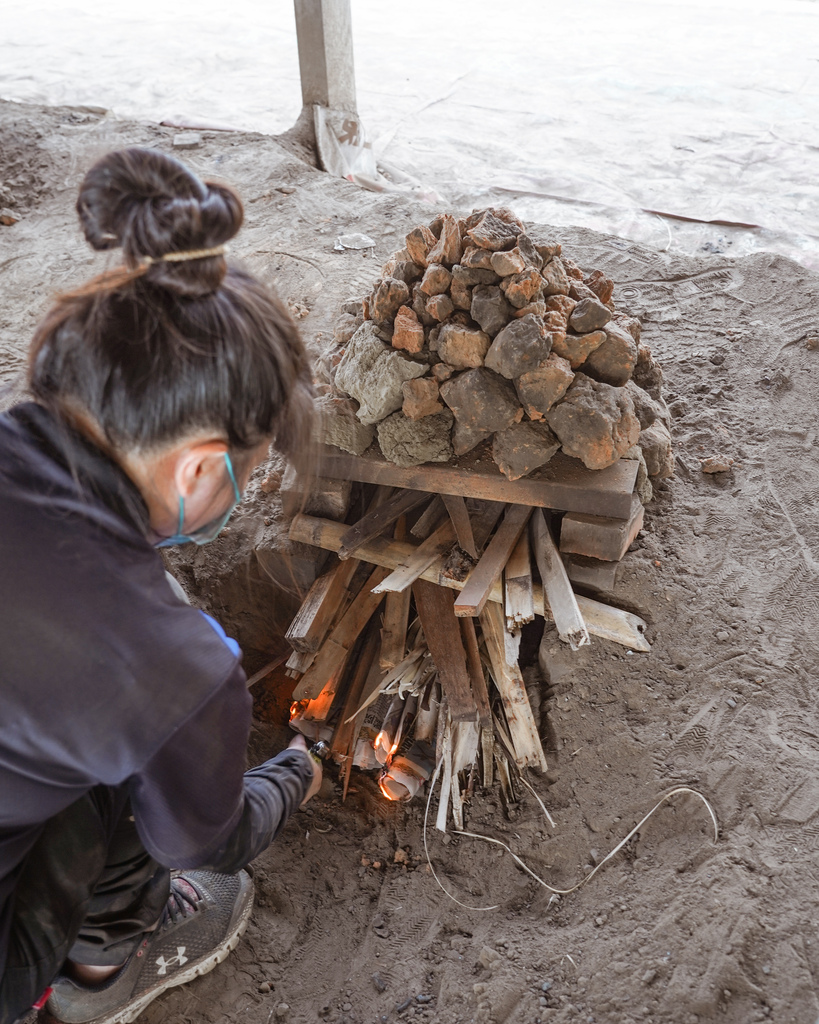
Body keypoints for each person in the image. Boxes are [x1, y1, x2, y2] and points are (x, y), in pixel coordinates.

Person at [0, 148, 322, 1024]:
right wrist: (294, 776)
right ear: (195, 472)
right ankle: (103, 977)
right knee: (130, 784)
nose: (242, 495)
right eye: (246, 477)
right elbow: (206, 839)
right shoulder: (169, 670)